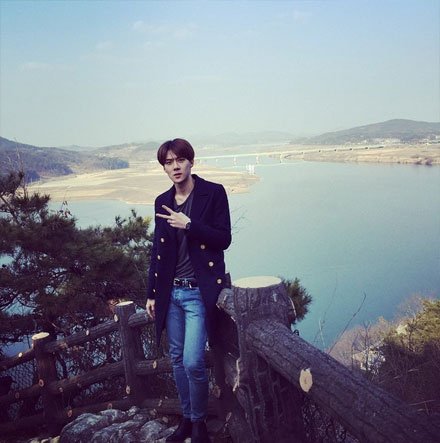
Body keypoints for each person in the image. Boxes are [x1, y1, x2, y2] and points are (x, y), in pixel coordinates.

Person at [146, 138, 231, 443]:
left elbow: (224, 239)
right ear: (164, 168)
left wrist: (190, 224)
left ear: (191, 162)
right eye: (168, 162)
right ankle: (189, 419)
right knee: (177, 361)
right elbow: (157, 251)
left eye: (180, 160)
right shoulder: (162, 201)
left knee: (193, 361)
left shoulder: (213, 192)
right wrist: (151, 293)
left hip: (197, 293)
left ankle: (200, 423)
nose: (175, 166)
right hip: (171, 294)